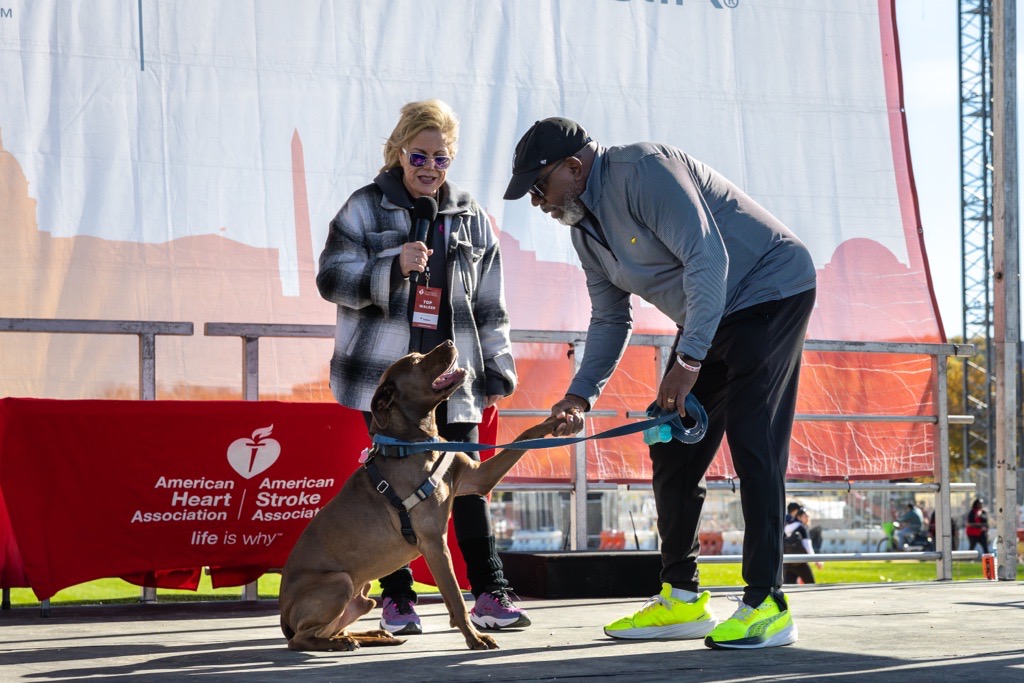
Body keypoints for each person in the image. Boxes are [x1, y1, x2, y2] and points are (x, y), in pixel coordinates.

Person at [504, 118, 816, 650]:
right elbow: (610, 318)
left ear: (574, 168)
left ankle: (768, 602)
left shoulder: (643, 169)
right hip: (710, 316)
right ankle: (683, 597)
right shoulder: (585, 229)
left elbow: (707, 257)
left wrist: (689, 360)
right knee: (671, 443)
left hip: (769, 291)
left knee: (752, 440)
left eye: (538, 186)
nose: (537, 202)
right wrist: (580, 396)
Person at [317, 99, 528, 636]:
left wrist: (499, 364)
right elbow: (331, 280)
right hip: (389, 382)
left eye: (441, 157)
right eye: (420, 155)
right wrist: (392, 266)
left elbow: (490, 301)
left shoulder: (470, 214)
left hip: (451, 378)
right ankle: (398, 601)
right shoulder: (364, 208)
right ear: (399, 152)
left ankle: (490, 592)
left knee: (467, 482)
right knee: (393, 489)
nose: (430, 167)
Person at [783, 508, 822, 584]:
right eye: (805, 516)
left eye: (808, 516)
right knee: (811, 584)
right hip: (801, 562)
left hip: (788, 562)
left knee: (789, 587)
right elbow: (807, 546)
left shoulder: (786, 527)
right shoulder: (802, 528)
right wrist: (816, 561)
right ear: (799, 517)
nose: (808, 518)